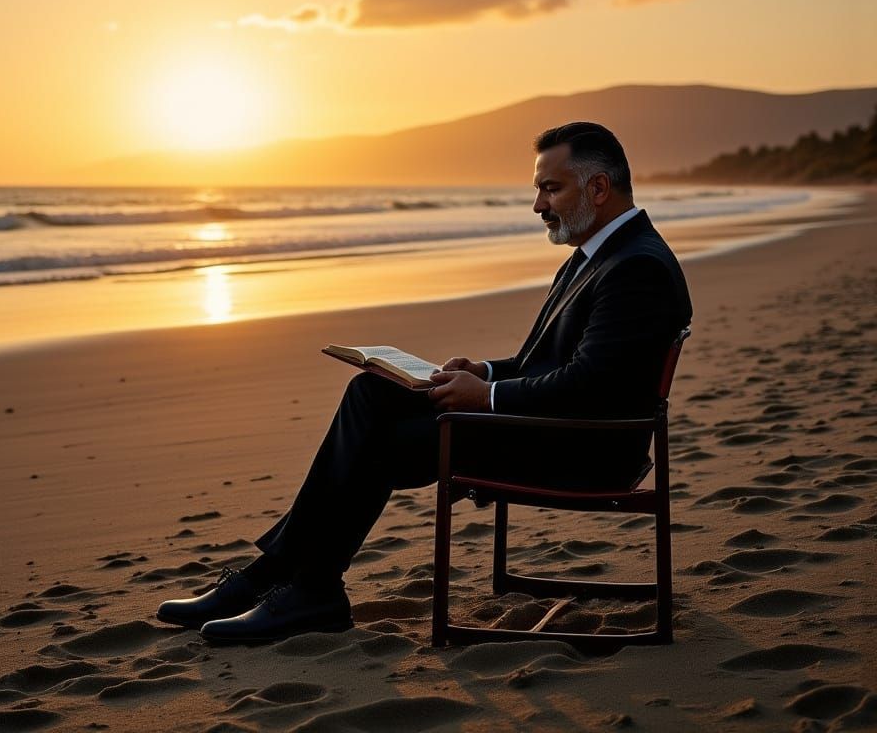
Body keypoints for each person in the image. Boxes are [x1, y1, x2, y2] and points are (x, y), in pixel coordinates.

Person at [156, 121, 692, 644]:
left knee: (374, 441)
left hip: (581, 450)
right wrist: (484, 372)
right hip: (551, 428)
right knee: (372, 393)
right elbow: (553, 364)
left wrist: (487, 397)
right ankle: (289, 581)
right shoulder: (598, 256)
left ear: (597, 188)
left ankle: (299, 586)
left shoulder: (633, 268)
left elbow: (592, 387)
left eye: (550, 189)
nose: (538, 205)